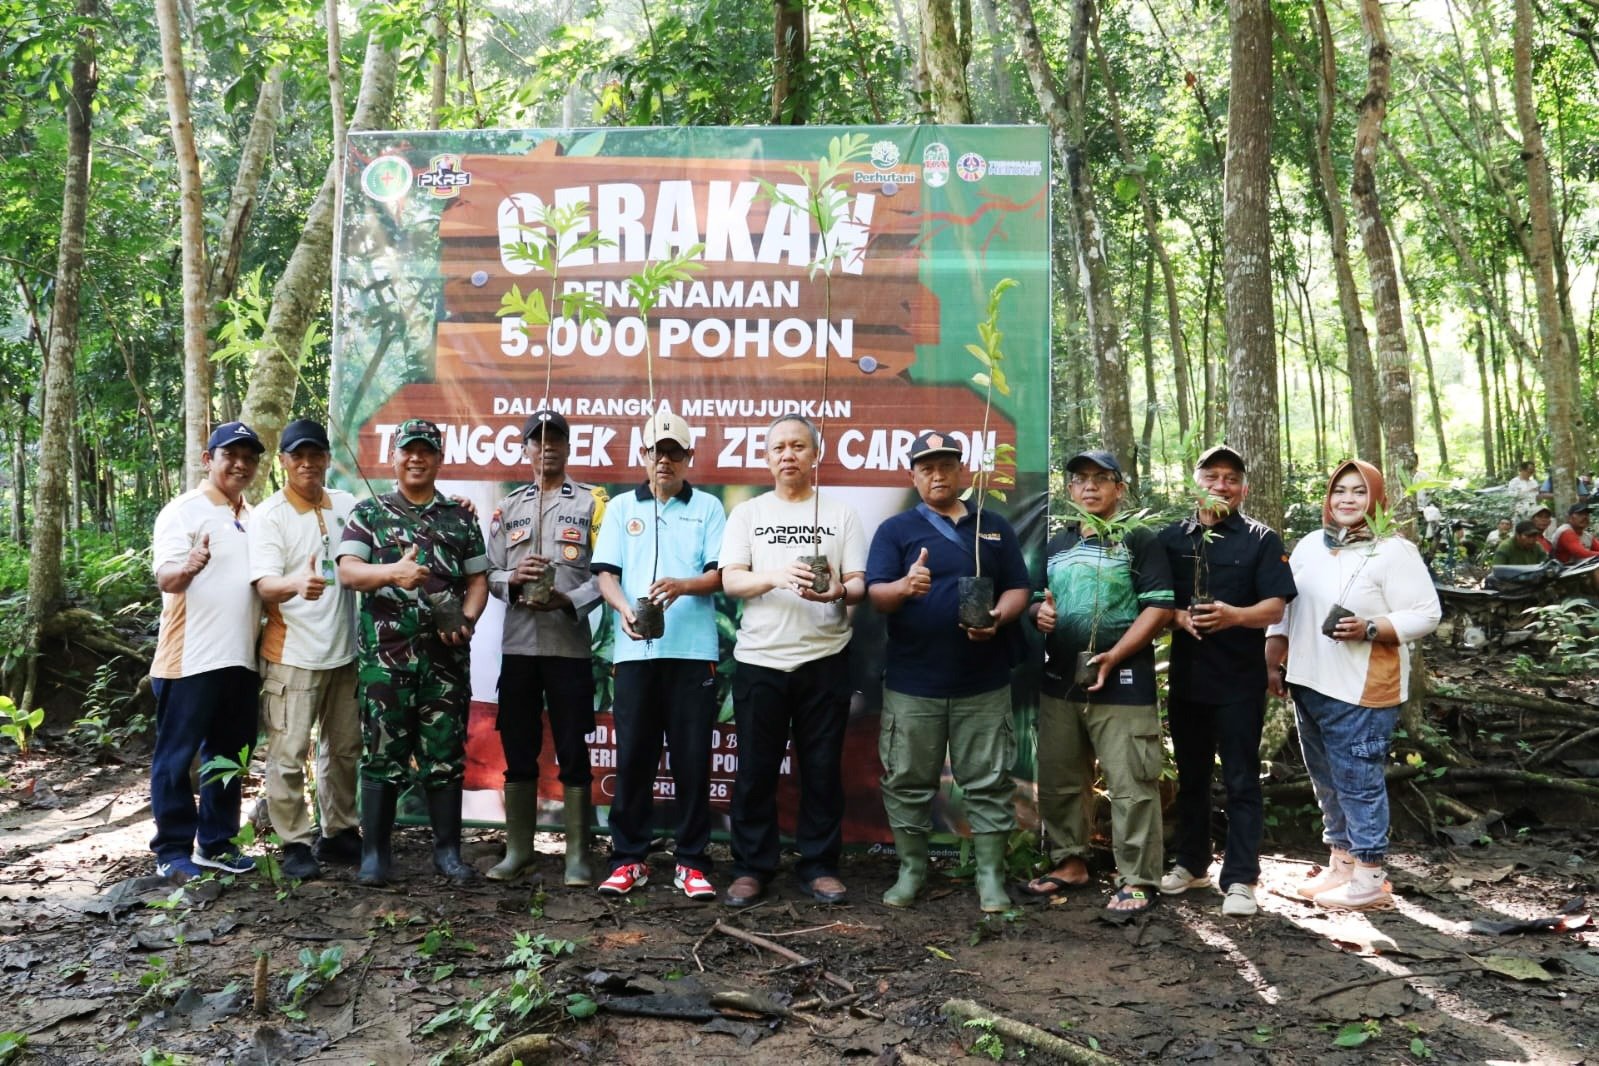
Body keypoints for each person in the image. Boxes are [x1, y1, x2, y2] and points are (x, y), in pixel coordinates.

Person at [865, 431, 1032, 912]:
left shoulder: (993, 526)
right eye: (926, 468)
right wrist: (904, 585)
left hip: (983, 682)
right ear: (913, 476)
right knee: (907, 781)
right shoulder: (895, 532)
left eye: (946, 466)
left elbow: (1018, 587)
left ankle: (990, 878)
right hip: (913, 684)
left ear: (963, 471)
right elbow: (876, 595)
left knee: (988, 782)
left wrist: (999, 616)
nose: (937, 475)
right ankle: (911, 870)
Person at [1265, 460, 1440, 911]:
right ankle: (1341, 863)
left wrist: (1370, 627)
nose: (1347, 500)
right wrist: (1274, 657)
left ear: (1375, 499)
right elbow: (1286, 606)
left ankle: (1370, 877)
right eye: (1340, 490)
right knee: (1327, 781)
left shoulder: (1393, 551)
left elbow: (1426, 613)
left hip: (1361, 689)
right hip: (1308, 683)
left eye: (1359, 492)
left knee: (1359, 781)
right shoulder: (1309, 545)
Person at [720, 414, 866, 907]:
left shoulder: (840, 514)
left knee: (822, 769)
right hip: (761, 660)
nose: (789, 455)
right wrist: (776, 576)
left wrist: (839, 591)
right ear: (766, 457)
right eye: (779, 447)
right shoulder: (749, 514)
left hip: (824, 659)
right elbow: (731, 581)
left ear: (815, 455)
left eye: (798, 446)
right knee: (755, 770)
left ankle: (819, 865)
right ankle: (750, 868)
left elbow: (860, 583)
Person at [337, 418, 489, 885]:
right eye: (408, 450)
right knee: (382, 754)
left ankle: (447, 854)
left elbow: (479, 580)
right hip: (386, 660)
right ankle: (375, 855)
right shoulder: (369, 512)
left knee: (444, 755)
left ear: (439, 458)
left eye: (426, 451)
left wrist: (466, 620)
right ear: (396, 457)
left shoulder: (460, 517)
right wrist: (391, 574)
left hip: (444, 662)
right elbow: (347, 572)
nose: (416, 458)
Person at [1027, 450, 1174, 916]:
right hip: (1059, 681)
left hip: (1124, 681)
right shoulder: (1055, 545)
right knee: (1060, 777)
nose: (1089, 486)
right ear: (1069, 490)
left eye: (1101, 478)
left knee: (1132, 781)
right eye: (1080, 479)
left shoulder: (1139, 539)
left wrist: (1117, 655)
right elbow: (1035, 602)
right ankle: (1070, 861)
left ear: (1119, 489)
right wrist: (1039, 613)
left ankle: (1137, 877)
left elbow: (1159, 607)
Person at [590, 411, 727, 900]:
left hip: (692, 653)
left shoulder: (708, 507)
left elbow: (721, 575)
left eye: (674, 452)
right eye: (655, 451)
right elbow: (605, 572)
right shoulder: (624, 505)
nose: (664, 460)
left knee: (693, 759)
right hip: (634, 653)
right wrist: (624, 606)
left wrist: (682, 585)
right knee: (634, 759)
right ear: (642, 456)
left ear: (689, 457)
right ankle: (628, 858)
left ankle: (691, 861)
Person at [1156, 445, 1296, 918]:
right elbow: (1155, 602)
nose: (1220, 485)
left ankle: (1240, 879)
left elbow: (1276, 607)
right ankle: (1191, 864)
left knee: (1240, 779)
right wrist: (1178, 617)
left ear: (1244, 488)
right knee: (1191, 777)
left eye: (1230, 478)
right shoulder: (1172, 537)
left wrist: (1235, 615)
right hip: (1188, 679)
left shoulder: (1260, 538)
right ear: (1194, 483)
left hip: (1239, 680)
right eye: (1211, 476)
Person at [483, 409, 608, 885]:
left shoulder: (592, 504)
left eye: (555, 439)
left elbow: (606, 576)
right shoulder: (510, 507)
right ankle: (519, 850)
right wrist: (512, 582)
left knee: (574, 747)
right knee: (519, 745)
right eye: (537, 440)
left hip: (568, 646)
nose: (546, 447)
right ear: (526, 449)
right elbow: (489, 573)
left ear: (569, 447)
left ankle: (578, 855)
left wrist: (567, 600)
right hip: (519, 647)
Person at [148, 421, 266, 882]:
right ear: (208, 459)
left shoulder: (252, 517)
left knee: (228, 755)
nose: (240, 464)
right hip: (190, 657)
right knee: (176, 757)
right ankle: (172, 850)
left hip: (240, 657)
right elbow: (166, 579)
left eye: (249, 457)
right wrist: (190, 565)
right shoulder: (184, 511)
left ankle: (216, 843)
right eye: (230, 454)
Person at [247, 418, 361, 882]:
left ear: (328, 458)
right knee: (289, 753)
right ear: (284, 461)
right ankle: (294, 840)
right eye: (298, 456)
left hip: (344, 652)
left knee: (345, 749)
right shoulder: (270, 515)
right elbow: (264, 583)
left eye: (316, 455)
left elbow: (391, 527)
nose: (308, 463)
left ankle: (340, 832)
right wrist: (296, 583)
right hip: (292, 654)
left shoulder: (347, 505)